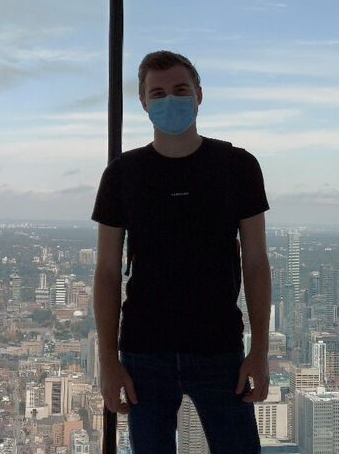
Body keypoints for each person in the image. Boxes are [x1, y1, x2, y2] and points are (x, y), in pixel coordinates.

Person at [91, 50, 271, 454]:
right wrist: (108, 360)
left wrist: (260, 351)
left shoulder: (238, 166)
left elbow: (256, 262)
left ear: (199, 95)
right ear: (143, 102)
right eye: (157, 93)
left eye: (180, 90)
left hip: (219, 348)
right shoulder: (123, 174)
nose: (169, 100)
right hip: (143, 352)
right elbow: (107, 271)